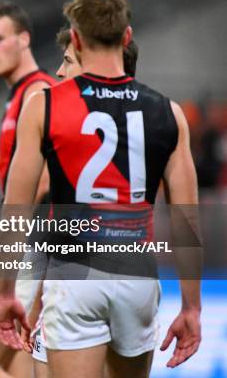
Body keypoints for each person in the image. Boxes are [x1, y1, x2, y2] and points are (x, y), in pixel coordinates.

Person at [0, 0, 201, 378]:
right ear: (127, 38)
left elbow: (16, 210)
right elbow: (186, 221)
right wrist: (192, 307)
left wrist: (6, 292)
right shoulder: (170, 113)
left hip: (74, 274)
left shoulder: (45, 105)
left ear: (75, 38)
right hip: (137, 274)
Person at [30, 28, 140, 378]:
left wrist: (29, 295)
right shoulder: (152, 120)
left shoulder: (64, 125)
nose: (59, 72)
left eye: (67, 61)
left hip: (75, 277)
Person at [0, 1, 56, 378]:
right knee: (20, 365)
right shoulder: (23, 95)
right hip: (41, 246)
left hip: (30, 245)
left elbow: (46, 180)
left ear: (24, 39)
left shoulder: (39, 94)